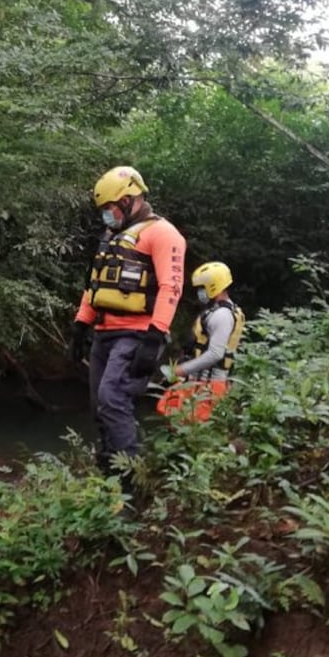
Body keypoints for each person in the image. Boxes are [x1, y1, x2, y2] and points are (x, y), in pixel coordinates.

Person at [68, 166, 186, 475]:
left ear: (130, 199)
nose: (107, 214)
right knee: (98, 405)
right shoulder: (111, 237)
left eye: (110, 207)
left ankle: (131, 478)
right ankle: (109, 469)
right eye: (104, 209)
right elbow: (95, 285)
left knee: (113, 397)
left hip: (136, 334)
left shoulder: (163, 234)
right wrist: (81, 325)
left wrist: (155, 335)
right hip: (104, 332)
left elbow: (170, 287)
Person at [157, 261, 245, 423]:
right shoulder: (217, 311)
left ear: (213, 286)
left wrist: (181, 370)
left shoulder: (222, 316)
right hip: (197, 382)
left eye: (201, 288)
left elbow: (215, 354)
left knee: (189, 425)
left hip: (208, 386)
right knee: (169, 413)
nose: (199, 292)